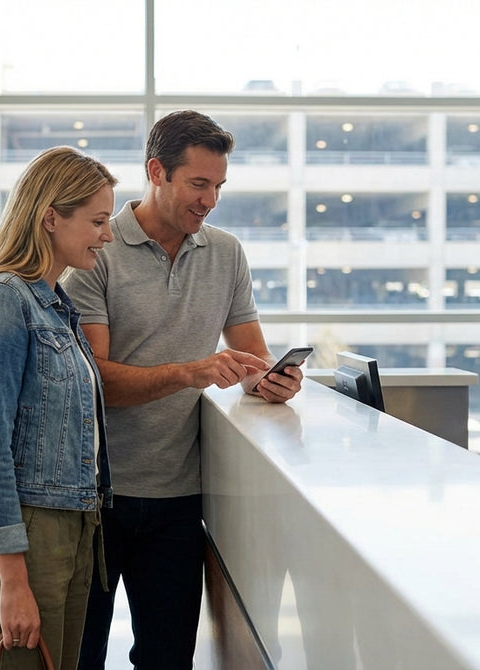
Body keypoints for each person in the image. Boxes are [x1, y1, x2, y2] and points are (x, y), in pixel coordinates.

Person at [63, 110, 304, 670]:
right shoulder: (95, 250)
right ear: (157, 172)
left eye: (218, 186)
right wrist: (191, 372)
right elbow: (96, 381)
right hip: (95, 497)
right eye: (199, 184)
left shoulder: (226, 252)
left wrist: (270, 381)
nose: (210, 200)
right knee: (82, 656)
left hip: (179, 498)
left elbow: (251, 356)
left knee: (168, 660)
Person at [0, 146, 115, 670]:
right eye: (97, 221)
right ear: (50, 218)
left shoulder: (57, 305)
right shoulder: (3, 300)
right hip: (23, 539)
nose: (107, 236)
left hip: (71, 530)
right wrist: (14, 580)